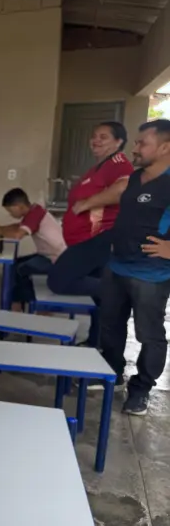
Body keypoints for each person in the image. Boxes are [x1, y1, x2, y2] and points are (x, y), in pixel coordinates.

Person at [94, 119, 170, 415]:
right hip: (117, 268)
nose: (135, 147)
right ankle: (111, 374)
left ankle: (140, 390)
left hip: (151, 275)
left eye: (142, 143)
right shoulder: (135, 178)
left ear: (164, 147)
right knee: (110, 326)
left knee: (149, 335)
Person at [47, 121, 134, 346]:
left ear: (118, 142)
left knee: (59, 280)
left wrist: (87, 203)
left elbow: (124, 188)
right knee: (99, 298)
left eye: (103, 137)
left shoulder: (117, 162)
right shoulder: (99, 167)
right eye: (94, 136)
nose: (95, 140)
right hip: (87, 240)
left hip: (97, 238)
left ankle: (117, 289)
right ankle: (95, 343)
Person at [0, 188, 66, 309]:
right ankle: (18, 301)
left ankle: (26, 304)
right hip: (48, 254)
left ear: (19, 206)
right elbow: (17, 227)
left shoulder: (34, 214)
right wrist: (0, 228)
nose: (10, 214)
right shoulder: (34, 211)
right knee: (15, 263)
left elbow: (17, 235)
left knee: (20, 269)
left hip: (58, 259)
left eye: (10, 210)